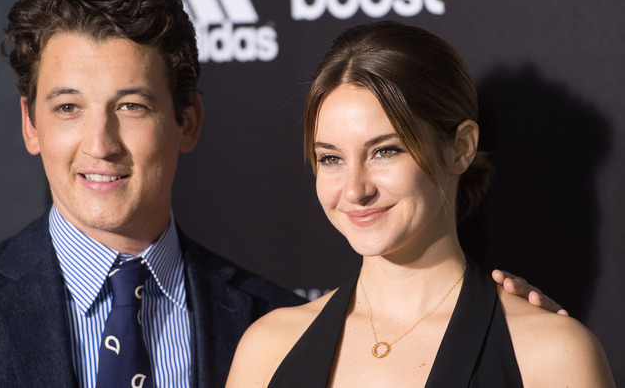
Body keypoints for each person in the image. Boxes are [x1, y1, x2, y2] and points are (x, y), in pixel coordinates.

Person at [0, 0, 561, 388]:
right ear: (31, 126)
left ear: (188, 121)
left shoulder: (276, 331)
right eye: (67, 107)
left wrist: (496, 328)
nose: (99, 143)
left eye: (130, 105)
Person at [225, 21, 614, 387]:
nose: (354, 190)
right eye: (331, 158)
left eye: (385, 151)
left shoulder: (551, 354)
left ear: (460, 149)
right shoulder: (268, 349)